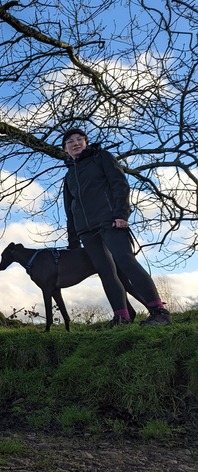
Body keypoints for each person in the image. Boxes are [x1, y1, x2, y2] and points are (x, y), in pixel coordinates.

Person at [62, 128, 171, 327]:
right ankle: (122, 318)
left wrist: (121, 214)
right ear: (65, 149)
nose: (75, 143)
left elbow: (119, 183)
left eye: (79, 139)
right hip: (86, 230)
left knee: (125, 261)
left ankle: (159, 312)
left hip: (110, 221)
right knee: (106, 271)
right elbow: (70, 209)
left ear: (86, 142)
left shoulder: (101, 157)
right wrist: (73, 240)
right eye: (70, 141)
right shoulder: (69, 176)